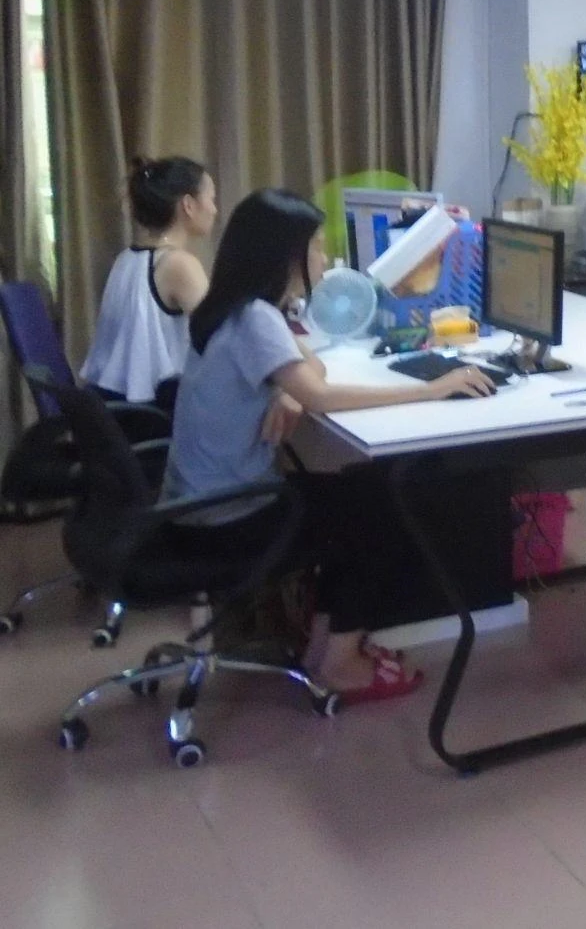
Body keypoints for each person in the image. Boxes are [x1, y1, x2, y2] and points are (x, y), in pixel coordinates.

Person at [164, 189, 496, 703]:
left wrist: (285, 389)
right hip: (227, 516)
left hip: (197, 503)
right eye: (315, 247)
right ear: (286, 256)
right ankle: (339, 662)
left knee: (361, 492)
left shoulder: (230, 308)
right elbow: (320, 394)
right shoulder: (256, 319)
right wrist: (432, 388)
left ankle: (325, 652)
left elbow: (309, 368)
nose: (322, 258)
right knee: (380, 509)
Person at [81, 156, 218, 405]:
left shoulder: (126, 258)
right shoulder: (179, 265)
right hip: (151, 410)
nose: (214, 209)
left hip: (110, 403)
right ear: (188, 205)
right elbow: (221, 338)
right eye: (211, 199)